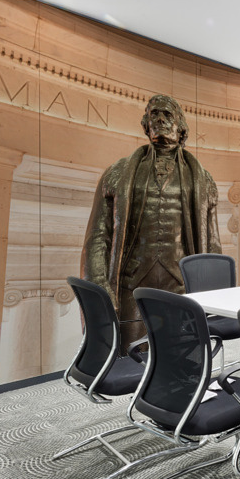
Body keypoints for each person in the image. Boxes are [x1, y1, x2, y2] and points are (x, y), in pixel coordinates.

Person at [81, 94, 222, 350]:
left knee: (182, 351)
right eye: (154, 114)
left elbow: (212, 242)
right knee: (130, 352)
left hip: (181, 280)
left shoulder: (203, 180)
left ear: (181, 127)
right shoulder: (117, 173)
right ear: (146, 125)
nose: (160, 119)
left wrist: (214, 292)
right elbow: (98, 236)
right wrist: (99, 287)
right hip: (132, 281)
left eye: (167, 114)